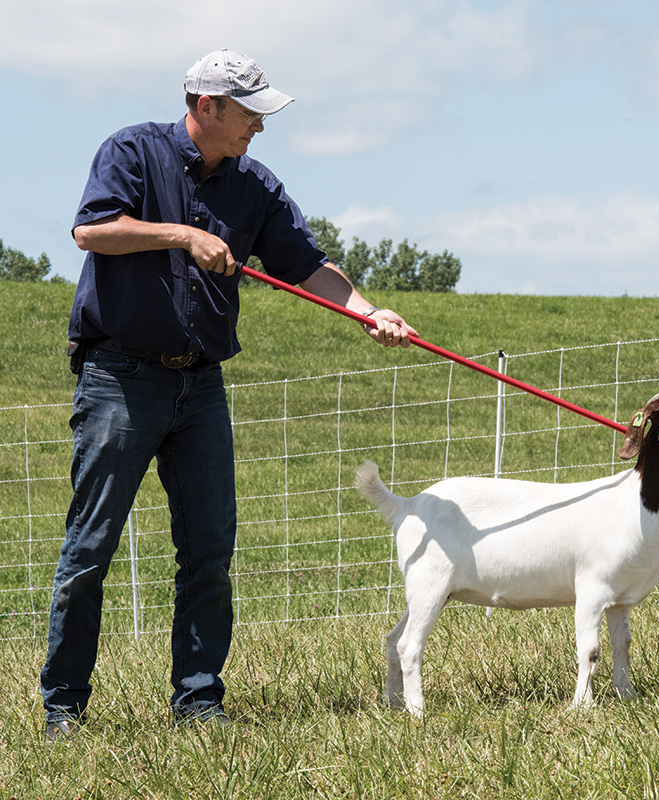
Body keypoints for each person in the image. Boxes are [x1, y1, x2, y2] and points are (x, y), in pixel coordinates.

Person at [40, 48, 418, 741]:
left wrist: (370, 312)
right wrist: (184, 235)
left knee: (210, 550)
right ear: (206, 106)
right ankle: (63, 708)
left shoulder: (256, 186)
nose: (260, 129)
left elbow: (306, 265)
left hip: (200, 384)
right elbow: (92, 229)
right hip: (119, 380)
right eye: (250, 114)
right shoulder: (131, 150)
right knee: (91, 548)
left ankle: (199, 702)